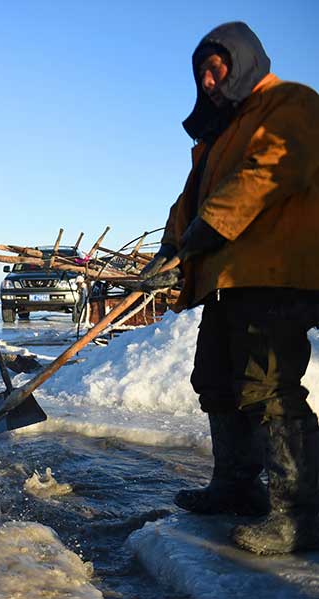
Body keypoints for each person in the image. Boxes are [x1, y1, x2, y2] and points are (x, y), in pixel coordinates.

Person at [138, 22, 319, 555]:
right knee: (215, 380)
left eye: (216, 68)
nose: (208, 81)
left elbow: (265, 175)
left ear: (242, 61)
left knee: (269, 388)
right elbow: (190, 202)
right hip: (227, 277)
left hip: (274, 271)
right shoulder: (222, 136)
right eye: (200, 75)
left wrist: (204, 230)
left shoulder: (290, 104)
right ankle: (235, 486)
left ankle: (302, 513)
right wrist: (170, 246)